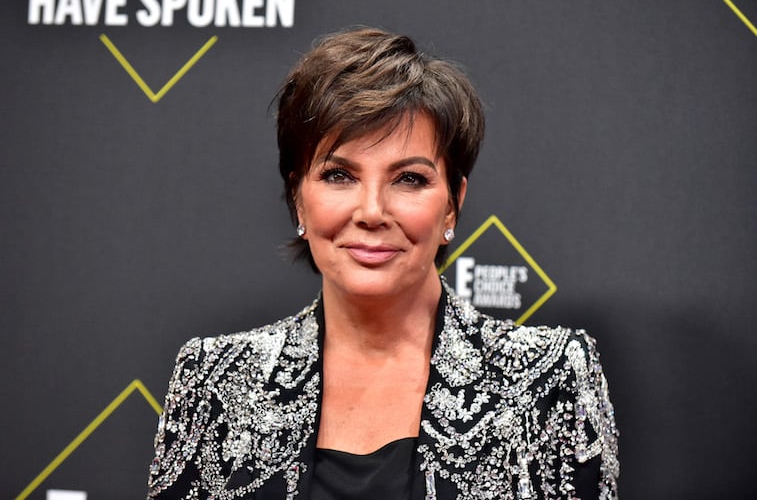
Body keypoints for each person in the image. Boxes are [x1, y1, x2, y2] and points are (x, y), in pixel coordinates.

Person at [146, 27, 619, 500]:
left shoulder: (549, 378)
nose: (372, 211)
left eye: (409, 179)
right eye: (339, 175)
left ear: (452, 205)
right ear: (298, 199)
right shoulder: (214, 380)